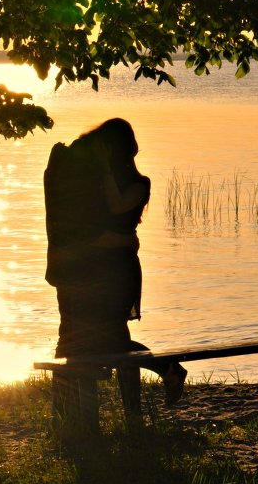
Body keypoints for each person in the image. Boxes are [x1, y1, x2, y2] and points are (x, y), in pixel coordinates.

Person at [44, 118, 187, 419]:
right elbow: (98, 230)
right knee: (103, 340)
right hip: (101, 269)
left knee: (108, 339)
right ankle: (166, 371)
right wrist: (122, 238)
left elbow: (111, 216)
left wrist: (121, 238)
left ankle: (155, 382)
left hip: (116, 273)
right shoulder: (90, 177)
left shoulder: (136, 183)